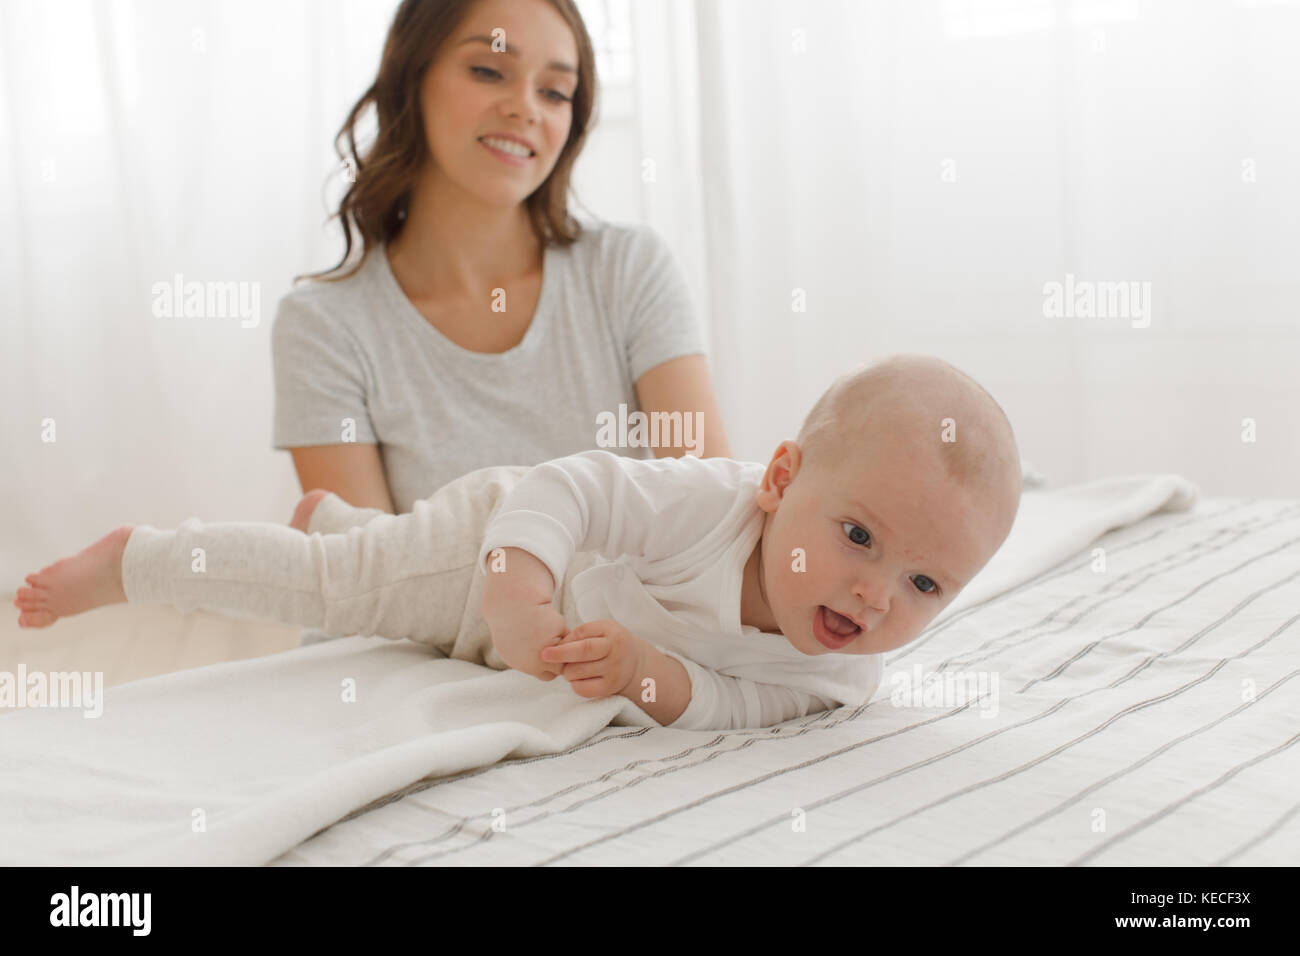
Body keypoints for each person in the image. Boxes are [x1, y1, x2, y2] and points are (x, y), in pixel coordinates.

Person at [14, 355, 1023, 732]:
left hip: (525, 632)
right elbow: (569, 484)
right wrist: (516, 584)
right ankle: (137, 558)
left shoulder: (848, 675)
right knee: (339, 588)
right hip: (492, 556)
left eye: (926, 581)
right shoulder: (706, 507)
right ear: (778, 479)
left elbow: (737, 700)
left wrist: (647, 674)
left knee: (366, 555)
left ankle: (332, 515)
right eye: (857, 534)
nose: (874, 593)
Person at [275, 0, 730, 524]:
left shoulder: (629, 271)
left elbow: (713, 522)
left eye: (555, 91)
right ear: (411, 78)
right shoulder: (321, 329)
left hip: (633, 610)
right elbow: (370, 584)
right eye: (489, 71)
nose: (525, 108)